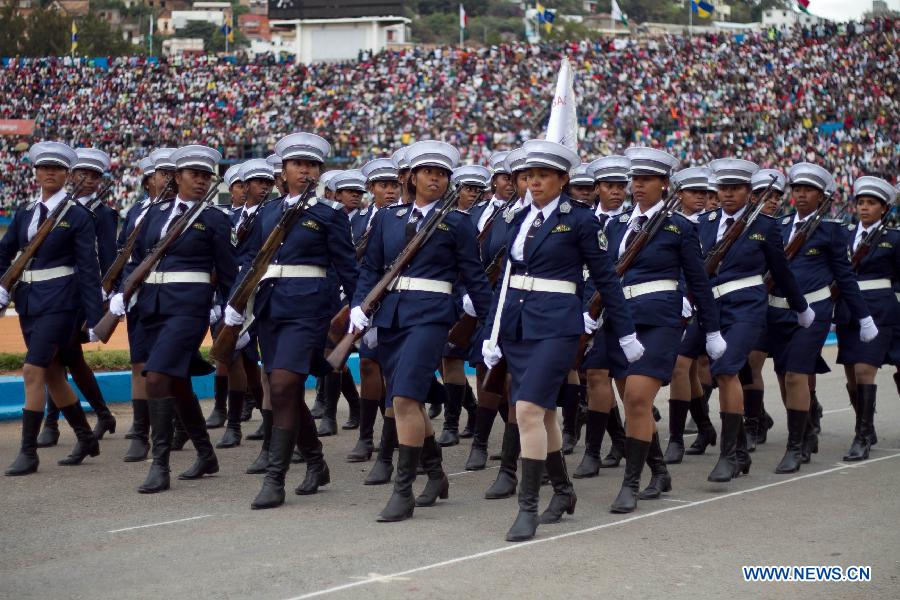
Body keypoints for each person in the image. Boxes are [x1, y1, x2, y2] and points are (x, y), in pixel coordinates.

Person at [481, 139, 640, 542]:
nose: (534, 182)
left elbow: (607, 280)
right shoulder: (517, 218)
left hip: (557, 326)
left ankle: (527, 506)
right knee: (544, 415)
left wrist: (625, 332)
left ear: (563, 179)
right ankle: (564, 491)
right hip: (518, 327)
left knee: (528, 410)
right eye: (528, 175)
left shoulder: (581, 220)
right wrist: (493, 333)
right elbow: (506, 282)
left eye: (543, 176)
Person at [349, 140, 492, 522]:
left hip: (431, 318)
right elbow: (371, 270)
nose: (436, 179)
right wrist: (358, 308)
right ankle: (436, 474)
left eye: (443, 174)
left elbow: (474, 277)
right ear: (412, 176)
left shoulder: (458, 223)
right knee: (402, 399)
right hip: (392, 318)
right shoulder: (388, 218)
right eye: (429, 172)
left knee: (405, 400)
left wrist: (490, 322)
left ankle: (403, 490)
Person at [225, 133, 357, 509]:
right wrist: (236, 303)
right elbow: (251, 262)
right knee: (285, 389)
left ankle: (275, 478)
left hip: (309, 312)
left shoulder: (328, 215)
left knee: (282, 384)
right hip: (270, 309)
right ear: (282, 171)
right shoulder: (266, 213)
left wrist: (359, 313)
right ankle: (315, 461)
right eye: (298, 165)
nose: (305, 170)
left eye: (312, 165)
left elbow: (348, 268)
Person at [109, 144, 236, 493]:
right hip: (151, 307)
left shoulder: (214, 219)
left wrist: (231, 315)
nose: (200, 181)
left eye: (206, 176)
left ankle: (160, 463)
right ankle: (206, 454)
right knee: (176, 382)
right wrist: (123, 292)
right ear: (177, 176)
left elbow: (227, 273)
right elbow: (137, 260)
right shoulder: (153, 214)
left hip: (188, 310)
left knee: (157, 377)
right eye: (194, 175)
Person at [603, 147, 723, 512]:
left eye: (647, 180)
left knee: (639, 398)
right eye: (635, 180)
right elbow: (605, 276)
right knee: (630, 400)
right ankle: (658, 470)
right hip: (620, 321)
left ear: (664, 184)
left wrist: (713, 329)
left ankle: (631, 482)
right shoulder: (616, 225)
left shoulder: (679, 227)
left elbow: (699, 282)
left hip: (660, 320)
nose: (638, 186)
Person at [692, 159, 812, 481]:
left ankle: (729, 455)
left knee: (727, 368)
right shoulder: (704, 222)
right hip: (711, 309)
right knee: (698, 365)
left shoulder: (765, 226)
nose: (729, 194)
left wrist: (800, 306)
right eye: (724, 188)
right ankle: (742, 450)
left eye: (736, 189)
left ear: (748, 192)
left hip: (747, 307)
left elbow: (781, 272)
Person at [766, 163, 875, 473]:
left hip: (814, 312)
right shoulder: (778, 225)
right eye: (797, 189)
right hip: (777, 310)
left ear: (821, 196)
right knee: (785, 373)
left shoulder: (831, 229)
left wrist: (863, 316)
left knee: (795, 374)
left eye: (808, 190)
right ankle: (808, 426)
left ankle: (795, 446)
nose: (801, 194)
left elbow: (844, 276)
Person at [3, 141, 103, 476]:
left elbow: (88, 268)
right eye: (44, 168)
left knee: (32, 370)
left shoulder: (76, 216)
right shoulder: (26, 213)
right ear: (35, 173)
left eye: (57, 169)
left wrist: (94, 316)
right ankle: (86, 437)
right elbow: (5, 253)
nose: (50, 173)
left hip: (62, 302)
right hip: (30, 301)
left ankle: (28, 452)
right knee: (53, 373)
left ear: (67, 175)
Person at [39, 148, 119, 453]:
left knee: (57, 355)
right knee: (67, 357)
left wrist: (101, 295)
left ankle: (51, 423)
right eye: (82, 174)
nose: (88, 180)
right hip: (59, 291)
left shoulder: (104, 213)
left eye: (95, 176)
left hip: (84, 294)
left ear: (100, 181)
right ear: (72, 175)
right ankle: (102, 414)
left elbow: (108, 257)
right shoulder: (61, 207)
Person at [572, 155, 632, 478]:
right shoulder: (583, 220)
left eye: (621, 186)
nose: (616, 192)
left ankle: (638, 448)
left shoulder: (631, 222)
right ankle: (594, 451)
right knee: (595, 378)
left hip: (620, 310)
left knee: (626, 387)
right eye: (609, 186)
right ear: (596, 188)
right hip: (587, 310)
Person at [117, 148, 177, 462]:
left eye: (171, 173)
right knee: (139, 363)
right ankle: (141, 432)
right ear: (148, 179)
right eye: (161, 174)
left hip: (171, 296)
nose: (166, 179)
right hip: (139, 296)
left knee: (168, 365)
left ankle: (170, 426)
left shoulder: (182, 211)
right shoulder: (137, 211)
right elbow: (124, 253)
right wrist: (119, 291)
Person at [835, 176, 898, 461]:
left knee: (864, 370)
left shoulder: (894, 238)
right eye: (861, 202)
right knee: (850, 372)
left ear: (883, 208)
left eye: (871, 203)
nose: (864, 208)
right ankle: (866, 425)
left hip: (879, 310)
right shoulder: (844, 235)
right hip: (848, 309)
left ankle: (862, 437)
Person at [464, 151, 515, 471]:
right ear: (493, 180)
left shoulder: (520, 215)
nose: (511, 184)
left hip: (511, 299)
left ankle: (509, 442)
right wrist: (464, 294)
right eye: (505, 178)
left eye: (516, 178)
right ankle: (481, 442)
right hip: (480, 301)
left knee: (510, 378)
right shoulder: (475, 214)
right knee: (486, 371)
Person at [350, 158, 400, 470]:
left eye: (394, 185)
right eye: (384, 186)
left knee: (391, 371)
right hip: (364, 299)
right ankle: (366, 436)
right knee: (368, 366)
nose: (391, 191)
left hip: (395, 299)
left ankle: (391, 437)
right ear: (371, 189)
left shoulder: (401, 218)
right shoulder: (356, 220)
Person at [436, 164, 491, 447]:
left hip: (476, 296)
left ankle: (457, 421)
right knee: (446, 360)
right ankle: (463, 413)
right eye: (468, 189)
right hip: (451, 293)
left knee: (461, 361)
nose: (473, 195)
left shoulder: (486, 217)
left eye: (477, 190)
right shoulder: (446, 216)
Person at [207, 162, 248, 430]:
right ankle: (222, 407)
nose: (244, 191)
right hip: (224, 291)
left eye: (248, 185)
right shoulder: (223, 217)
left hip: (246, 288)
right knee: (225, 354)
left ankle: (234, 411)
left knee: (241, 357)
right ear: (230, 190)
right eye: (239, 186)